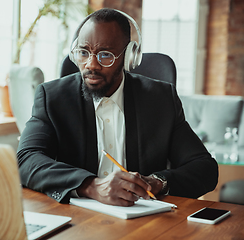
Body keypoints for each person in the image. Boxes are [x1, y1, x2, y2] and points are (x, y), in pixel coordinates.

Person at [17, 8, 218, 206]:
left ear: (129, 57)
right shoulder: (52, 97)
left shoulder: (160, 99)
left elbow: (205, 168)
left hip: (142, 222)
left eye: (105, 55)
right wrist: (91, 186)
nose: (91, 64)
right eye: (83, 53)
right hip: (77, 220)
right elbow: (26, 160)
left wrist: (157, 182)